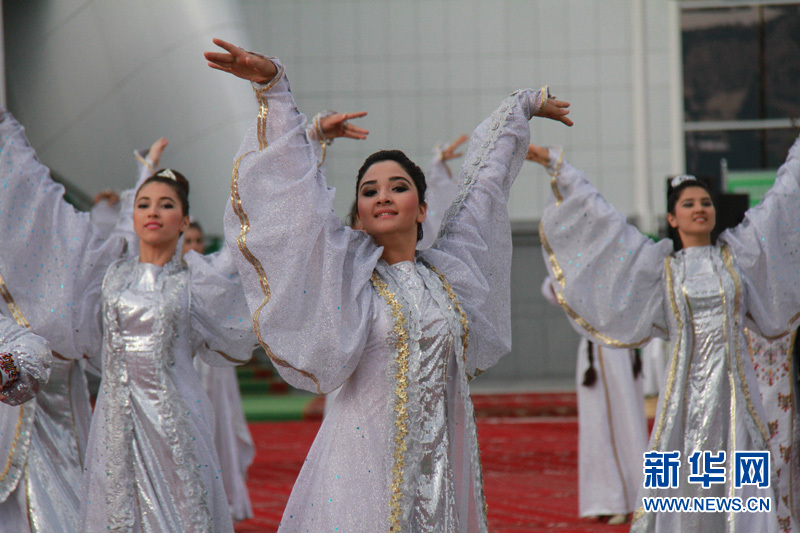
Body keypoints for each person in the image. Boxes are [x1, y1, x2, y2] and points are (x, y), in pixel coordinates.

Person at [205, 37, 572, 531]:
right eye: (369, 191)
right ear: (357, 214)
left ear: (422, 209)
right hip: (359, 470)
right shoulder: (348, 276)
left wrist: (520, 108)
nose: (383, 196)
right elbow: (295, 205)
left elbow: (483, 189)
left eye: (398, 187)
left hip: (440, 469)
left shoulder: (448, 274)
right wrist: (275, 90)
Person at [533, 137, 800, 532]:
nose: (699, 209)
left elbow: (781, 202)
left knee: (745, 475)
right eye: (688, 204)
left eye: (705, 203)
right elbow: (604, 221)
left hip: (737, 395)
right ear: (672, 219)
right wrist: (558, 167)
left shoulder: (738, 257)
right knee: (680, 477)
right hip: (683, 398)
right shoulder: (662, 269)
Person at [541, 275, 647, 525]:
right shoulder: (584, 262)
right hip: (596, 349)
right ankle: (607, 499)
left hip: (618, 347)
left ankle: (630, 499)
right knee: (597, 427)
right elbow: (551, 287)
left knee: (626, 424)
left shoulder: (628, 259)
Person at [418, 134, 469, 249]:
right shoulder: (437, 182)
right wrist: (439, 158)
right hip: (436, 237)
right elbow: (435, 171)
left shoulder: (453, 184)